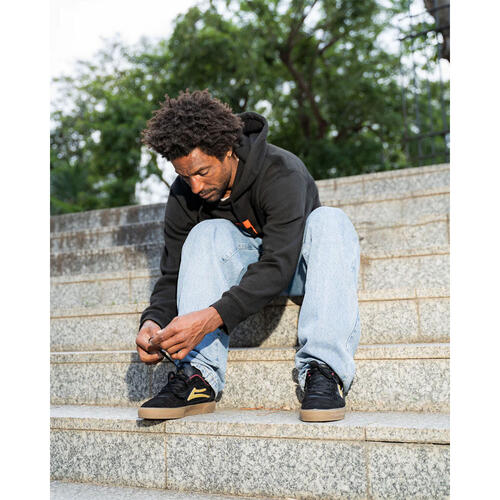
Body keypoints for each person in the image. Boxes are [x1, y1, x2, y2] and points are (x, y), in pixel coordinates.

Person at [135, 89, 361, 422]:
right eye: (184, 175)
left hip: (300, 268)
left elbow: (278, 264)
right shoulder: (184, 194)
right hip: (244, 272)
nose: (195, 186)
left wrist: (211, 317)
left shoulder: (281, 172)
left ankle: (324, 369)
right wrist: (153, 320)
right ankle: (198, 375)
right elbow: (173, 274)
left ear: (227, 151)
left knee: (330, 220)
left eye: (202, 172)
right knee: (205, 233)